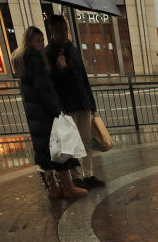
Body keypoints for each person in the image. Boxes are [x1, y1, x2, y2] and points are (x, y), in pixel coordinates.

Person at [11, 26, 87, 199]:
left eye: (42, 40)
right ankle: (68, 187)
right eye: (37, 40)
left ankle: (53, 188)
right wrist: (58, 110)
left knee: (46, 151)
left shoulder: (23, 60)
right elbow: (45, 89)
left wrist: (58, 68)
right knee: (60, 149)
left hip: (35, 114)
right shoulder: (35, 59)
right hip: (45, 113)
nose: (41, 44)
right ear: (29, 42)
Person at [46, 15, 104, 189]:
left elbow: (83, 78)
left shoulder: (73, 49)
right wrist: (60, 69)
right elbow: (50, 82)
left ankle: (88, 174)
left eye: (64, 28)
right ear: (51, 31)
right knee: (71, 144)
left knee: (86, 140)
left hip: (82, 102)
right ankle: (76, 177)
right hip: (66, 106)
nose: (62, 32)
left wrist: (91, 103)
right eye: (58, 29)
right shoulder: (49, 53)